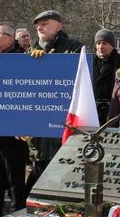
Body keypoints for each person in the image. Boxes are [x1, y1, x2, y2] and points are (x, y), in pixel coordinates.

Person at [26, 10, 84, 188]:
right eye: (37, 24)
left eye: (45, 23)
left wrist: (48, 61)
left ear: (58, 26)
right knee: (39, 171)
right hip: (38, 127)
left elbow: (73, 78)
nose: (39, 27)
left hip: (63, 125)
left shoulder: (74, 48)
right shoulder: (29, 53)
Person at [0, 22, 29, 217]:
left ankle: (16, 213)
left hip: (14, 129)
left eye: (1, 34)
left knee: (14, 175)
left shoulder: (24, 59)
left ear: (12, 38)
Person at [92, 29, 120, 125]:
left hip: (114, 109)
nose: (100, 47)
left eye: (104, 43)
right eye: (98, 43)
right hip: (93, 109)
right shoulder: (89, 61)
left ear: (112, 46)